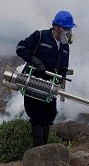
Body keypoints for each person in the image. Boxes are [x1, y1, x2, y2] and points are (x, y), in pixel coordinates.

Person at [16, 10, 77, 146]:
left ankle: (45, 151)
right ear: (56, 26)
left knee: (49, 116)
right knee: (36, 117)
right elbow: (20, 48)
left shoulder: (65, 46)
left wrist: (61, 79)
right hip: (34, 83)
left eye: (69, 29)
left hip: (50, 86)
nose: (68, 32)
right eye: (66, 28)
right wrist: (35, 61)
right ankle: (38, 151)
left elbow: (64, 67)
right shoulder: (40, 36)